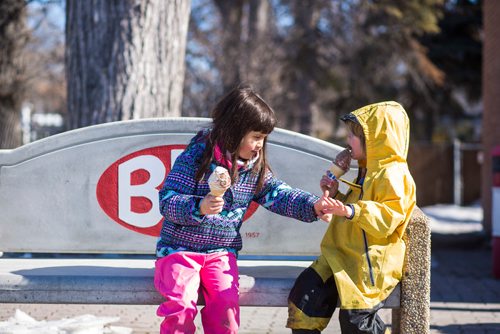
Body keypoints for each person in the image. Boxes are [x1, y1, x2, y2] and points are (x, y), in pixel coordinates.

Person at [154, 86, 332, 334]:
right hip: (179, 251)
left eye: (263, 138)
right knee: (181, 305)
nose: (260, 145)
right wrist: (199, 206)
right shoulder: (196, 158)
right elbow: (167, 200)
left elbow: (278, 194)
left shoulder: (254, 169)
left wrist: (313, 205)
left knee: (225, 305)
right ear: (233, 130)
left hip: (220, 254)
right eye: (256, 136)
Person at [287, 101, 417, 334]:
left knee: (356, 322)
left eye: (353, 136)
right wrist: (334, 192)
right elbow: (352, 206)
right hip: (340, 255)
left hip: (369, 263)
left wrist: (350, 211)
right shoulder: (366, 170)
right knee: (305, 299)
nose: (347, 140)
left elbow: (389, 216)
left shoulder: (393, 174)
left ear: (376, 139)